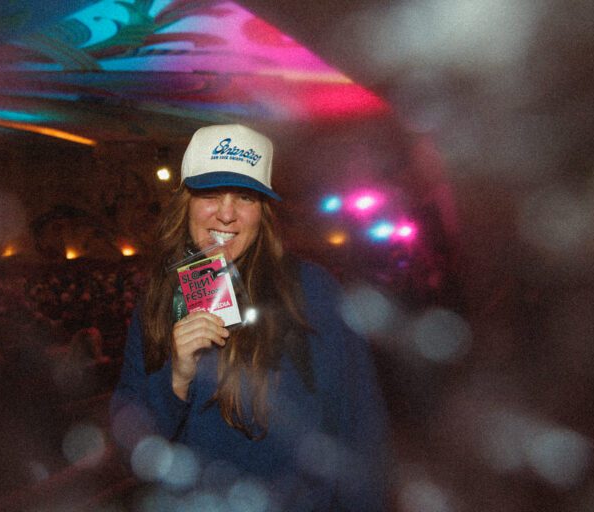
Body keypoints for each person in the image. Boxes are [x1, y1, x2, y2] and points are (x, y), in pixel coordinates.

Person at [109, 124, 389, 511]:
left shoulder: (310, 290)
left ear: (263, 211)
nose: (226, 214)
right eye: (210, 194)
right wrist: (176, 379)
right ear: (186, 202)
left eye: (245, 196)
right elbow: (132, 443)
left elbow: (359, 425)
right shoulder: (158, 298)